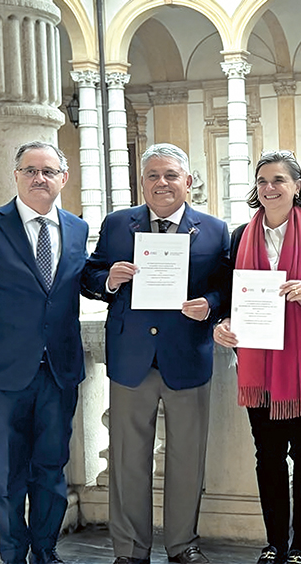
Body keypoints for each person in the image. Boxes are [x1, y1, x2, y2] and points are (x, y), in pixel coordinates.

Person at [82, 143, 229, 564]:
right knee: (128, 460)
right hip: (131, 358)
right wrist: (107, 279)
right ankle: (130, 551)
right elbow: (89, 274)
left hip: (187, 356)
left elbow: (225, 285)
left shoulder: (215, 229)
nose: (161, 183)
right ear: (141, 182)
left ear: (187, 181)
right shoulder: (115, 224)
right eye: (152, 175)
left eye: (170, 175)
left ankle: (183, 545)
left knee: (187, 458)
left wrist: (211, 305)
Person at [213, 150, 301, 564]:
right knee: (267, 455)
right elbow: (227, 293)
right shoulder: (239, 236)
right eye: (262, 181)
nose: (269, 188)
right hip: (256, 362)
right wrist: (221, 322)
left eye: (278, 180)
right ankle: (274, 542)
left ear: (297, 186)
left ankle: (300, 545)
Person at [0, 141, 89, 564]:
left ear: (63, 178)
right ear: (15, 176)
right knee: (8, 474)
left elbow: (75, 289)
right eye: (30, 170)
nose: (39, 178)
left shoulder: (78, 228)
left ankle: (46, 551)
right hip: (5, 377)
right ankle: (13, 555)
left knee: (52, 471)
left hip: (60, 373)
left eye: (48, 171)